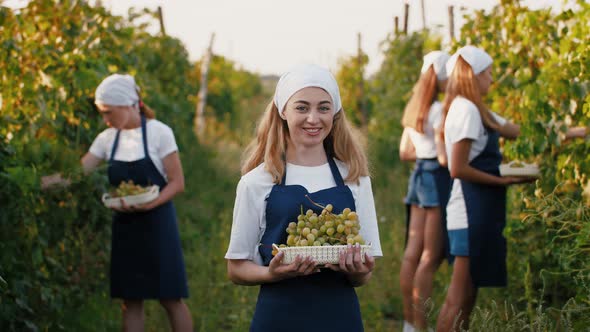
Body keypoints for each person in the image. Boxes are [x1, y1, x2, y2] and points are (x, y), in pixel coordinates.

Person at [224, 64, 383, 332]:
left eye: (323, 108)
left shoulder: (355, 178)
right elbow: (236, 269)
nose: (313, 118)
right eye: (301, 107)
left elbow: (363, 276)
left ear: (335, 113)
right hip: (279, 316)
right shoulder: (256, 182)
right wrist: (271, 274)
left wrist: (357, 270)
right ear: (283, 111)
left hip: (339, 317)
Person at [42, 74, 193, 332]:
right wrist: (40, 182)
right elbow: (77, 173)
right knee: (130, 299)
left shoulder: (159, 133)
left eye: (108, 112)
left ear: (127, 105)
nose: (105, 119)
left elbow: (177, 183)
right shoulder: (107, 138)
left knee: (170, 297)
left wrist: (149, 203)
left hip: (158, 225)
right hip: (125, 227)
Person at [435, 46, 533, 332]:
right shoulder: (466, 111)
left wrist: (574, 132)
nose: (492, 79)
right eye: (488, 73)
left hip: (477, 211)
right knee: (457, 298)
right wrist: (503, 181)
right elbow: (458, 168)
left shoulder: (475, 109)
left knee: (467, 298)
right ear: (473, 75)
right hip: (468, 213)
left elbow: (517, 130)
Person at [398, 51, 452, 332]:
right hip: (437, 178)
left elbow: (404, 151)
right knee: (430, 257)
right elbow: (446, 155)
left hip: (418, 175)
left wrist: (424, 149)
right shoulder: (441, 109)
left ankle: (409, 323)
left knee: (412, 254)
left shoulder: (414, 107)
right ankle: (422, 327)